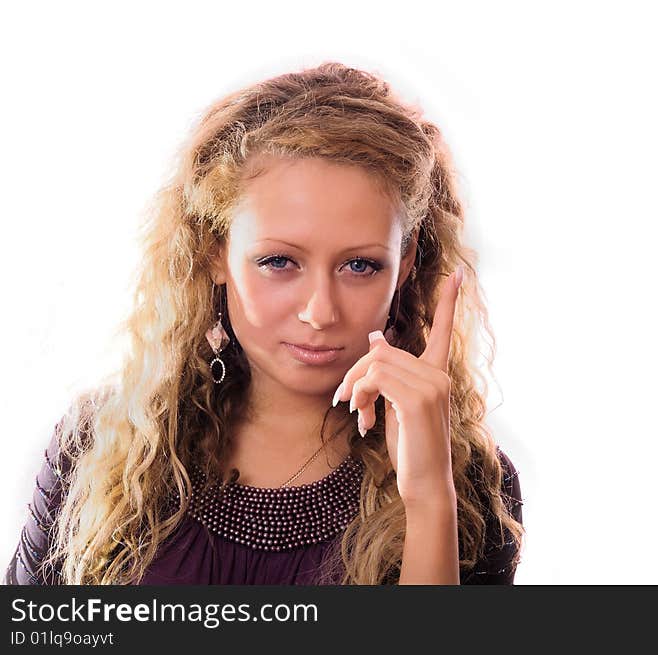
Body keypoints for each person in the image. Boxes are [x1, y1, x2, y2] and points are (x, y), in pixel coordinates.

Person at [5, 62, 524, 585]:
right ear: (215, 252)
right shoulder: (98, 449)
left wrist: (430, 499)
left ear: (405, 263)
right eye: (279, 262)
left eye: (359, 266)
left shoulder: (471, 483)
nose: (320, 312)